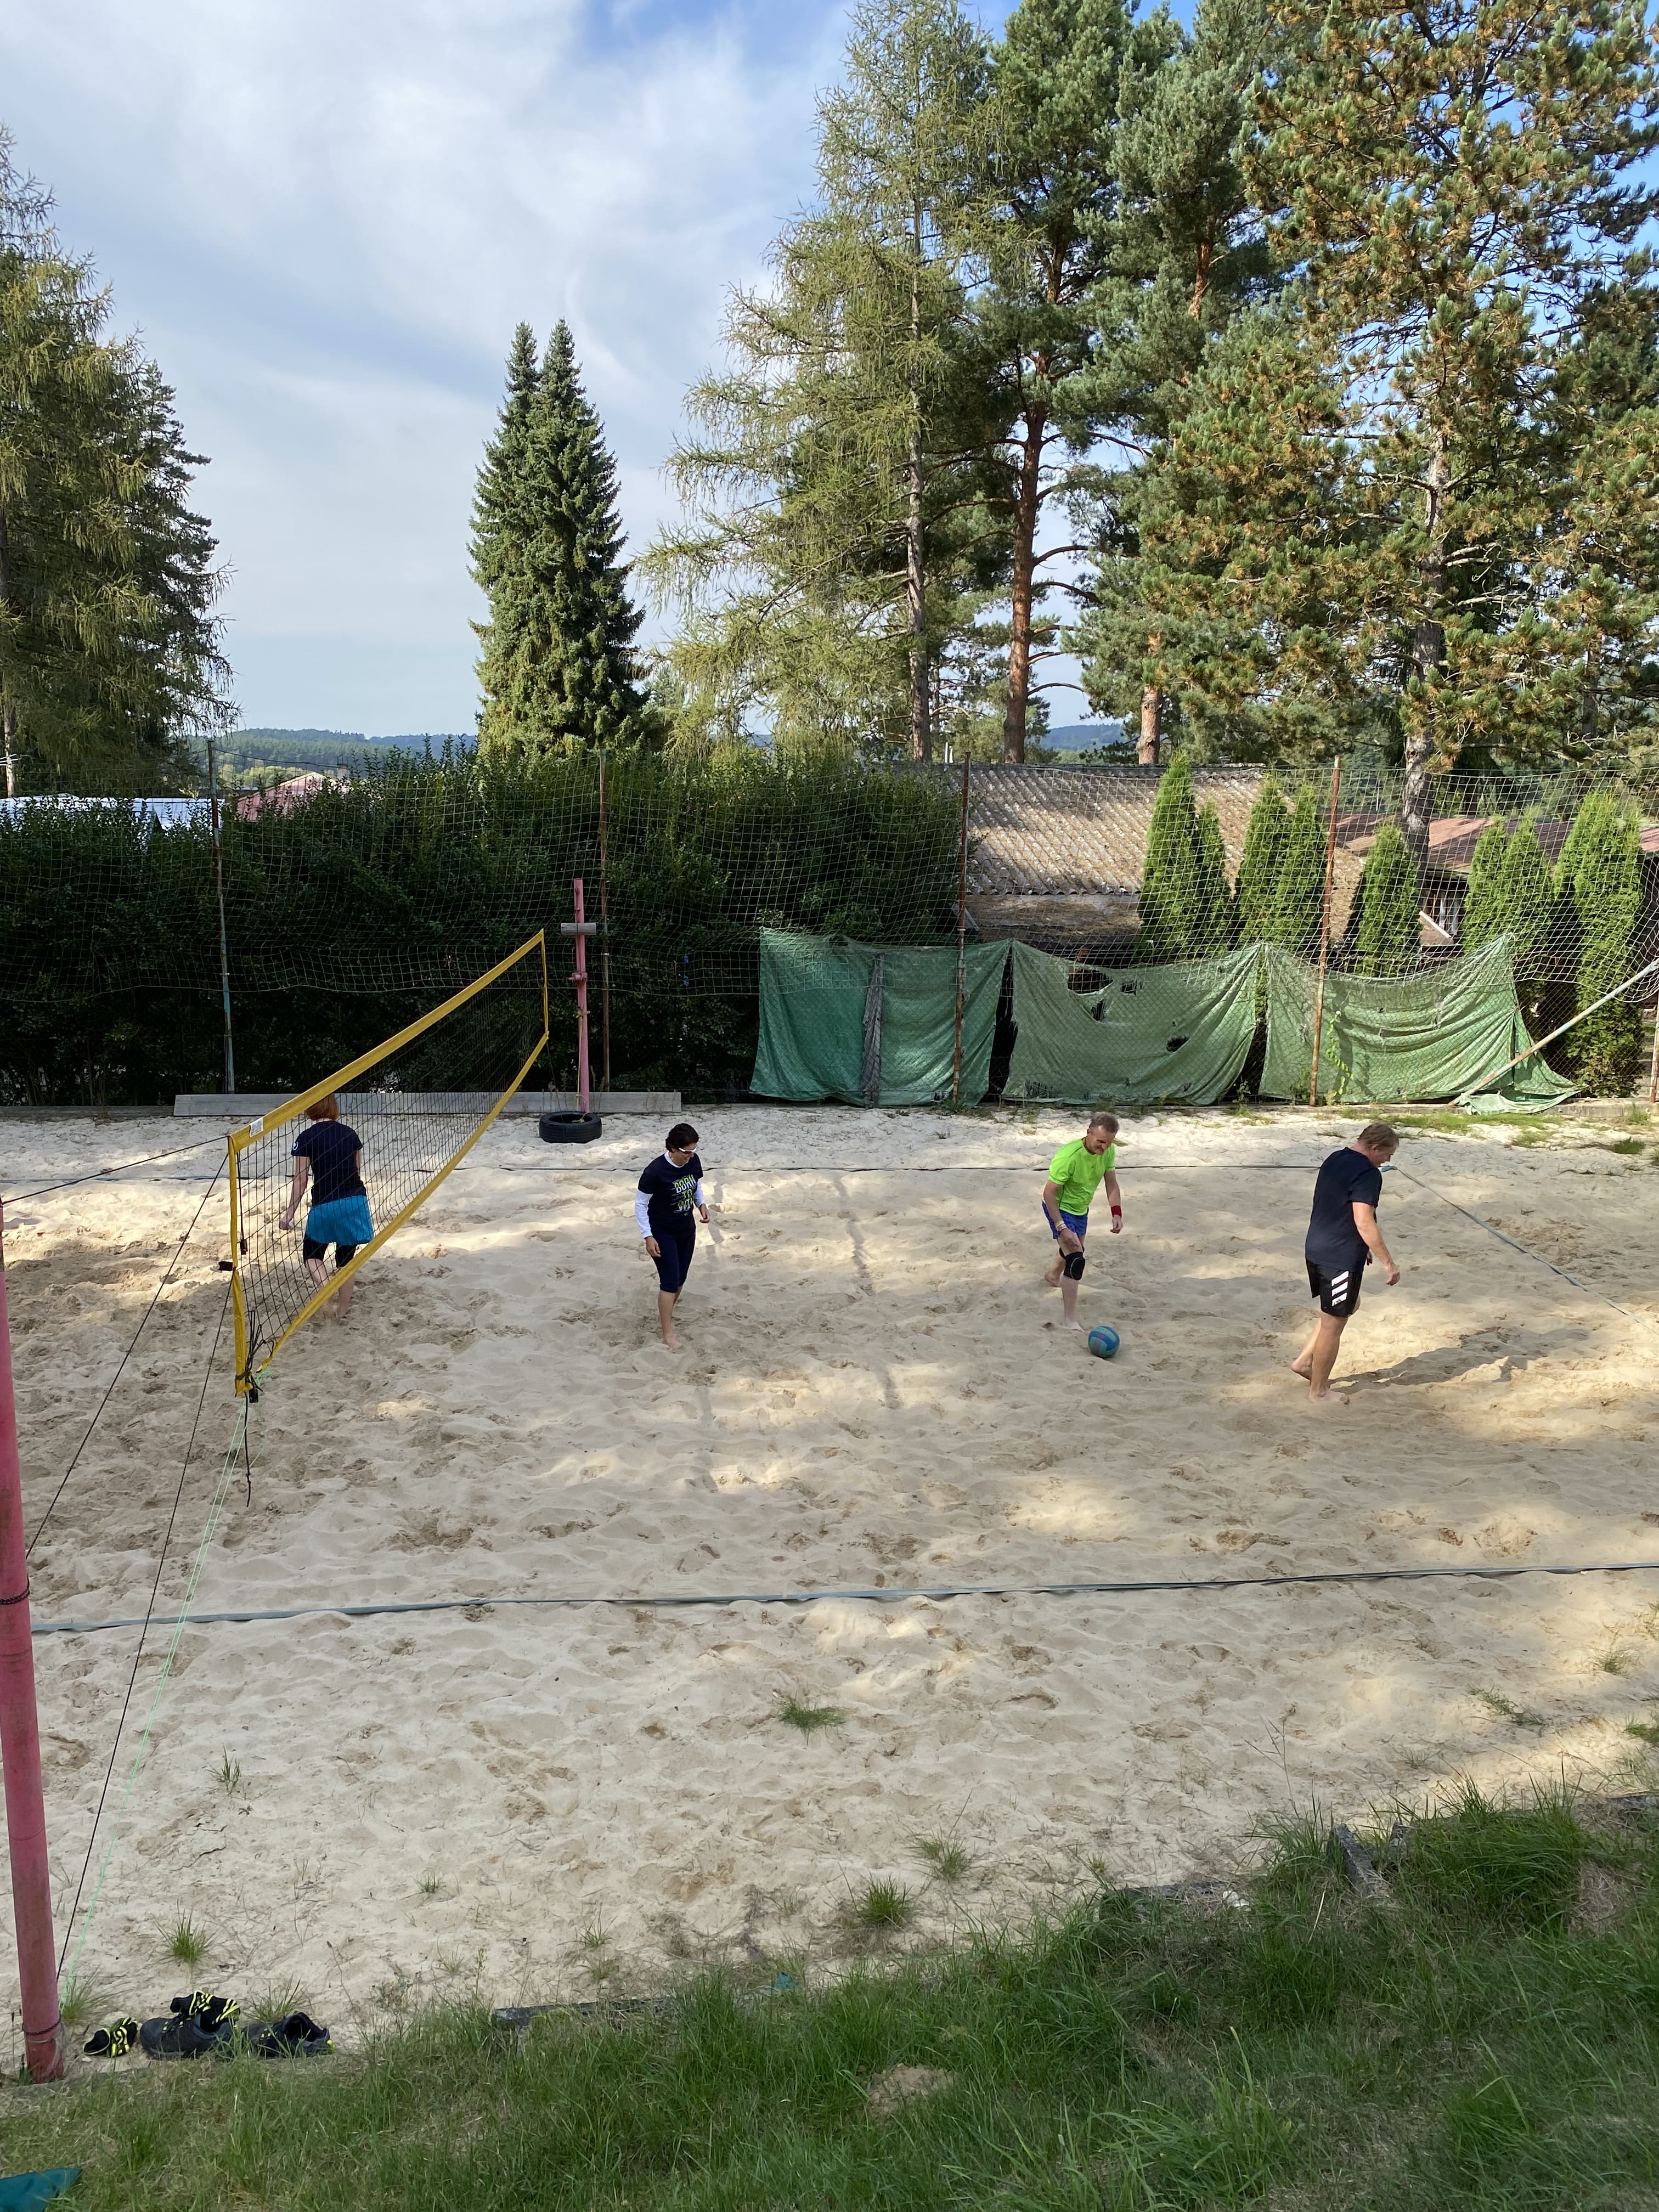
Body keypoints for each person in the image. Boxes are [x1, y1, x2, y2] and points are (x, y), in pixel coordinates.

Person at [1294, 1122, 1401, 1403]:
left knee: (1348, 1306)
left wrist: (1363, 1246)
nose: (1388, 1160)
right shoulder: (1368, 1174)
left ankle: (1304, 1362)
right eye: (1388, 1154)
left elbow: (1335, 1205)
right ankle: (1319, 1392)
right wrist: (1388, 1262)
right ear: (1375, 1148)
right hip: (1339, 1256)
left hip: (1316, 1246)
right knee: (1334, 1323)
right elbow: (1363, 1221)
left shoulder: (1335, 1158)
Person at [277, 1093, 373, 1322]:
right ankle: (342, 1311)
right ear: (333, 1108)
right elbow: (356, 1170)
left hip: (325, 1204)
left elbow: (301, 1180)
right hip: (355, 1202)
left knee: (312, 1256)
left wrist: (289, 1214)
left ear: (309, 1109)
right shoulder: (350, 1134)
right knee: (346, 1261)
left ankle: (325, 1287)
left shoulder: (306, 1137)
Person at [1041, 1111, 1122, 1330]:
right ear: (1088, 1133)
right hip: (1060, 1208)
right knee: (1076, 1259)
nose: (1104, 1148)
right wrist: (1061, 1226)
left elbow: (1111, 1183)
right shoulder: (1069, 1156)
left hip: (1080, 1209)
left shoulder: (1109, 1150)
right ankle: (1070, 1320)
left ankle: (1052, 1275)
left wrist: (1116, 1212)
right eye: (1100, 1142)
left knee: (1075, 1249)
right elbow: (1048, 1193)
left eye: (1109, 1143)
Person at [635, 1121, 710, 1350]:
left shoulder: (693, 1161)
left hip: (686, 1228)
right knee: (669, 1282)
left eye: (693, 1151)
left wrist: (701, 1204)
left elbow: (695, 1184)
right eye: (686, 1152)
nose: (690, 1156)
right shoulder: (655, 1172)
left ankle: (666, 1313)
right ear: (673, 1148)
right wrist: (648, 1236)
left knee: (680, 1279)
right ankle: (667, 1335)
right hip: (662, 1231)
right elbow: (640, 1204)